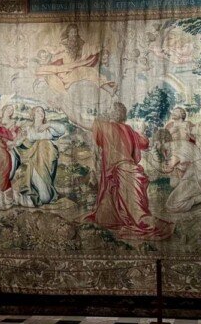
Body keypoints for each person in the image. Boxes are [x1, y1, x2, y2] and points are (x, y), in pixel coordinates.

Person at [63, 102, 174, 240]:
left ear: (114, 112)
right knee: (110, 210)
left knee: (138, 215)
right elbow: (145, 143)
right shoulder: (128, 129)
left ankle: (161, 227)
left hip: (123, 172)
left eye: (109, 108)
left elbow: (80, 121)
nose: (106, 110)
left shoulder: (105, 126)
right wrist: (141, 132)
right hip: (126, 172)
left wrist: (64, 107)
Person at [11, 106, 67, 207]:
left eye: (42, 111)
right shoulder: (28, 129)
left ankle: (40, 192)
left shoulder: (48, 129)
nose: (41, 113)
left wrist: (48, 124)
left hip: (47, 161)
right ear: (33, 114)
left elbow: (62, 130)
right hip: (33, 160)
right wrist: (22, 137)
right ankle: (32, 193)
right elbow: (17, 144)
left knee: (43, 143)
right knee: (45, 198)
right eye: (38, 111)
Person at [159, 130, 201, 212]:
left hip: (199, 176)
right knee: (176, 183)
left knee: (171, 205)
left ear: (162, 141)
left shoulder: (173, 149)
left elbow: (169, 167)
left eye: (156, 143)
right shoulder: (180, 144)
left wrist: (164, 168)